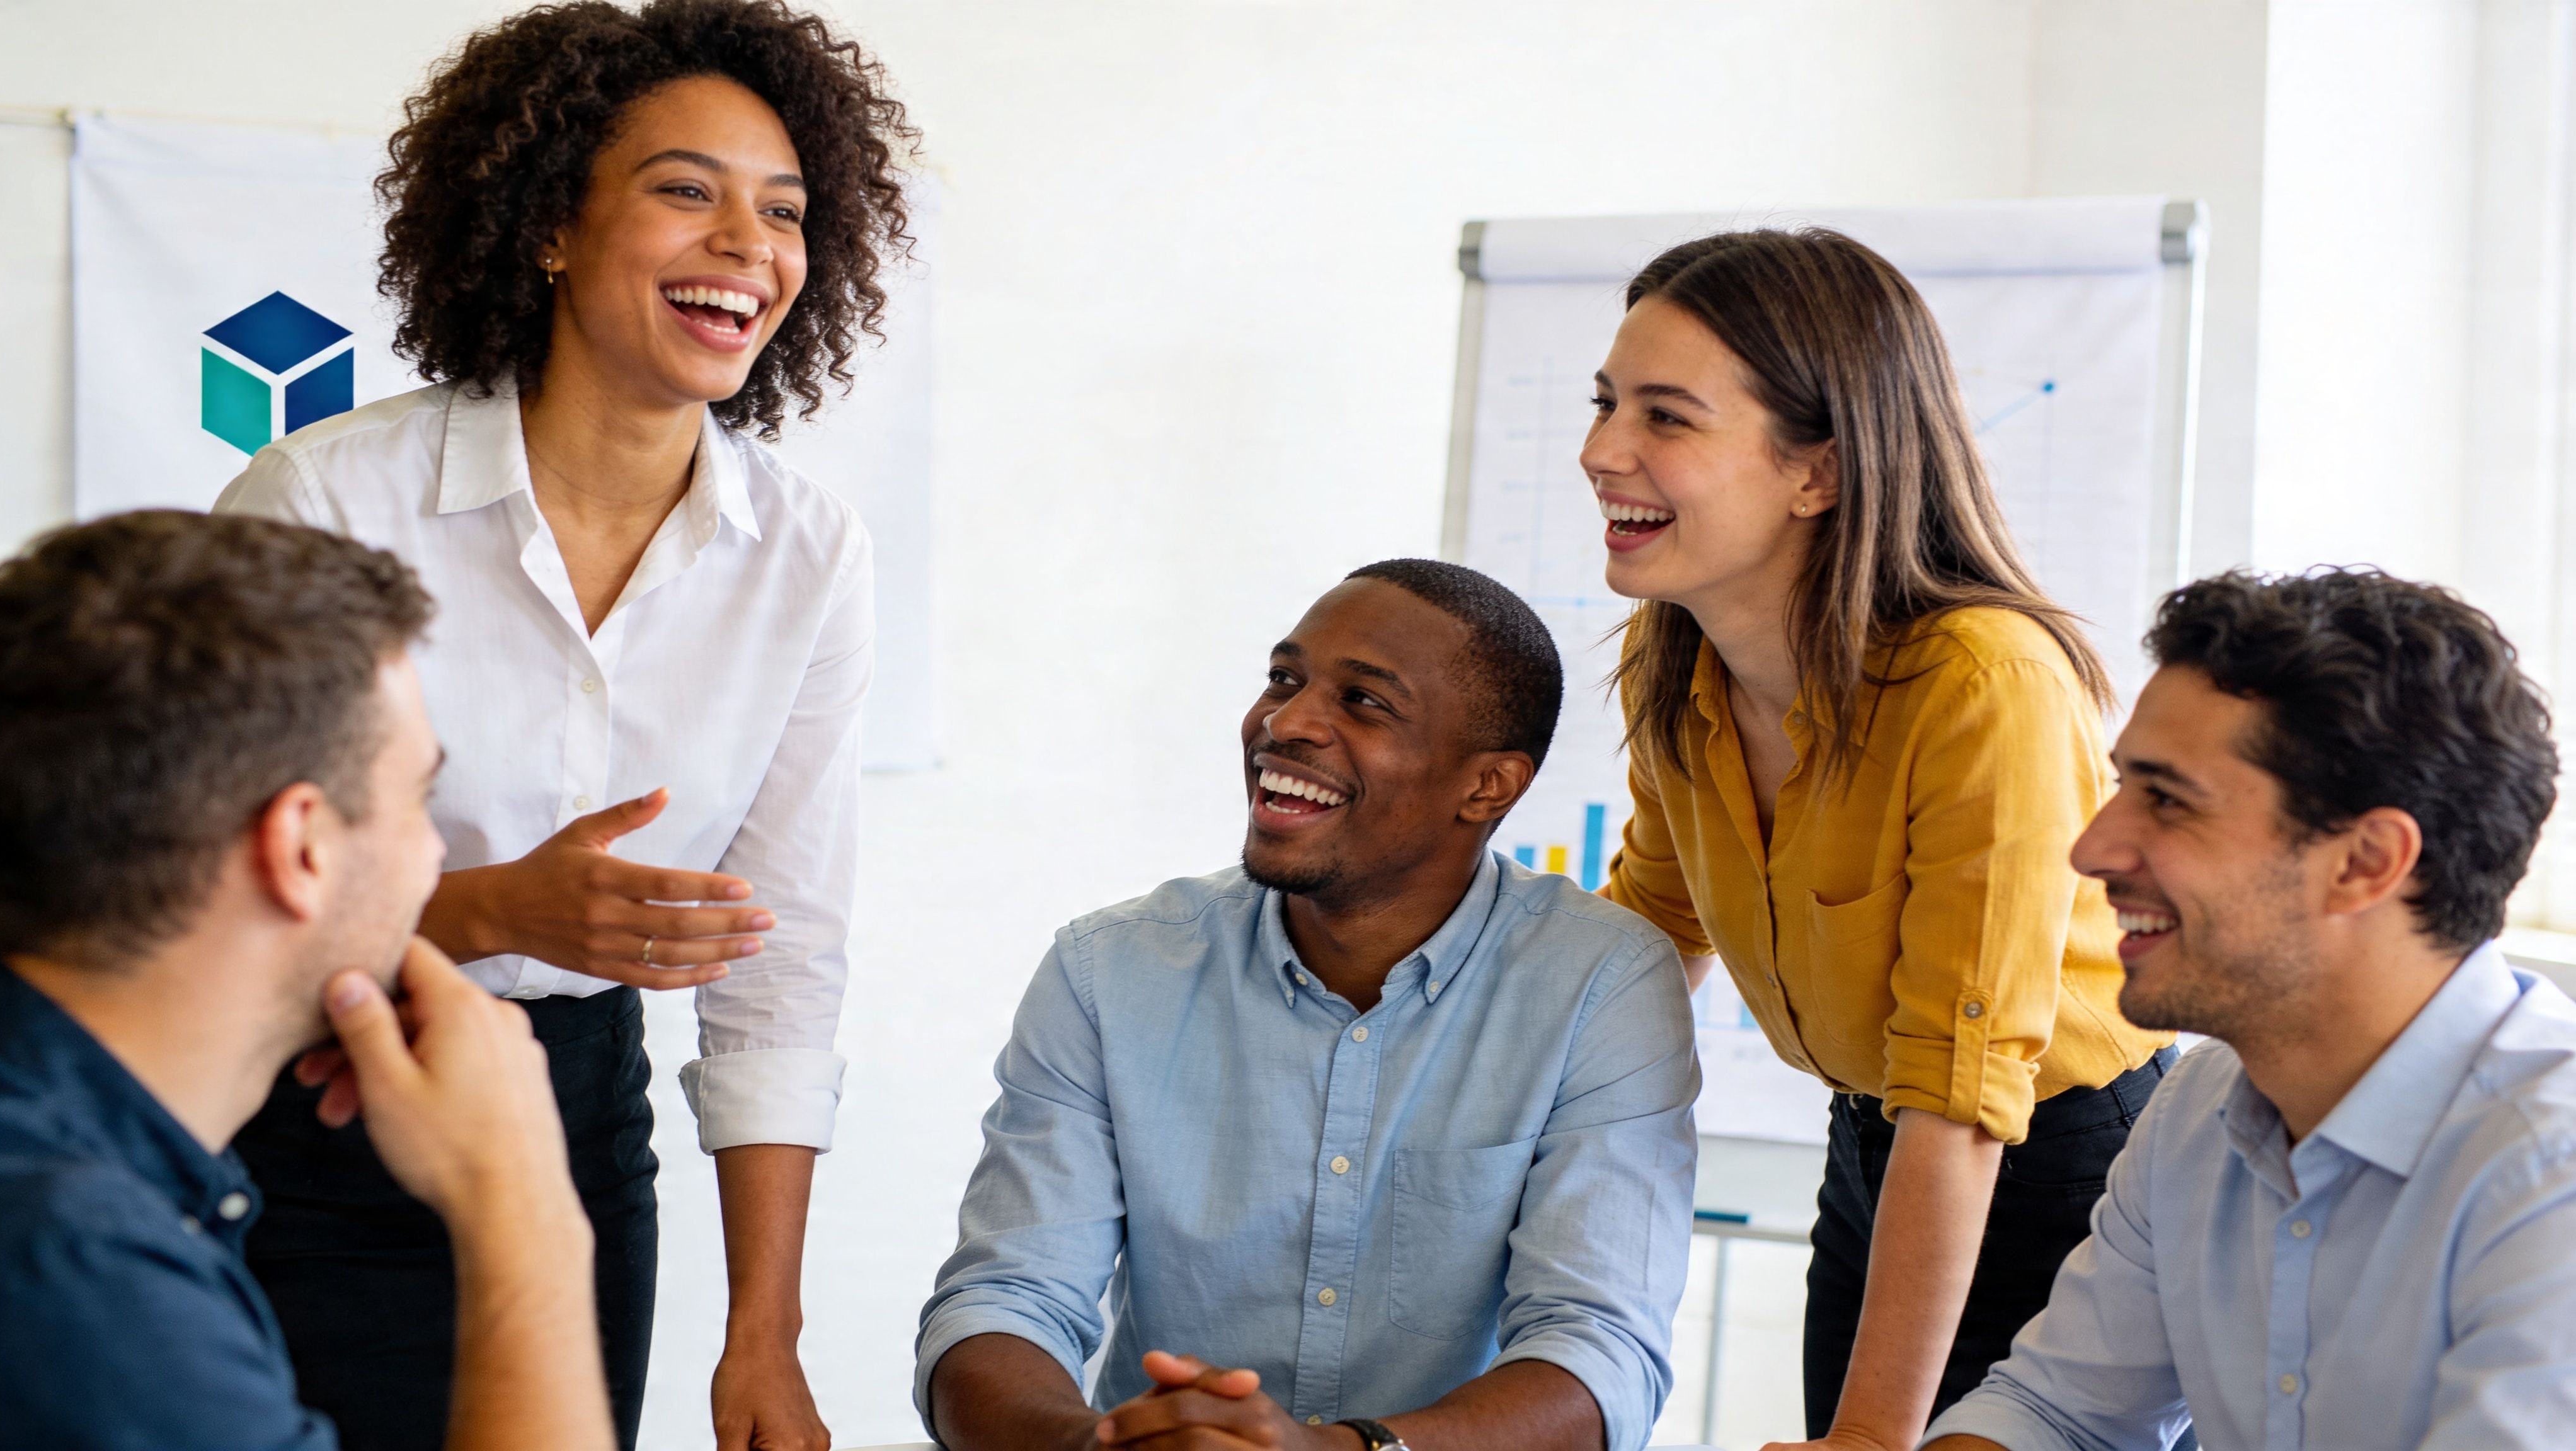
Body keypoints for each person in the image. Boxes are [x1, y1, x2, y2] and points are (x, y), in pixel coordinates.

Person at [211, 4, 912, 1447]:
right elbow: (197, 913)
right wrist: (484, 911)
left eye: (782, 211)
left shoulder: (809, 549)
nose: (747, 244)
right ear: (545, 225)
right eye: (684, 190)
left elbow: (782, 958)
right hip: (295, 1116)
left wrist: (762, 1336)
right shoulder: (328, 502)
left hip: (580, 1121)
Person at [1584, 227, 2176, 1451]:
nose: (1600, 452)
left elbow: (1960, 1092)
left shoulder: (1981, 680)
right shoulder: (1678, 643)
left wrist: (1867, 1441)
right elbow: (1647, 929)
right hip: (1873, 1146)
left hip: (2056, 1167)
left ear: (1818, 471)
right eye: (1604, 403)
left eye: (1664, 416)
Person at [915, 560, 1700, 1451]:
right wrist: (1092, 1448)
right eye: (1283, 680)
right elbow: (1004, 1299)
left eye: (1364, 702)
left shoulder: (1602, 983)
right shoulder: (1109, 969)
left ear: (1488, 787)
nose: (1284, 725)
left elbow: (1599, 1351)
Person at [0, 511, 612, 1451]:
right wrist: (522, 1209)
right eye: (418, 799)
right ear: (302, 847)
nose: (435, 850)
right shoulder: (77, 1266)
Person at [1924, 569, 2576, 1451]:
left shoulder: (2549, 1177)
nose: (2092, 848)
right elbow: (2057, 1413)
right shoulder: (2201, 1105)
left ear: (2365, 862)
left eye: (2167, 799)